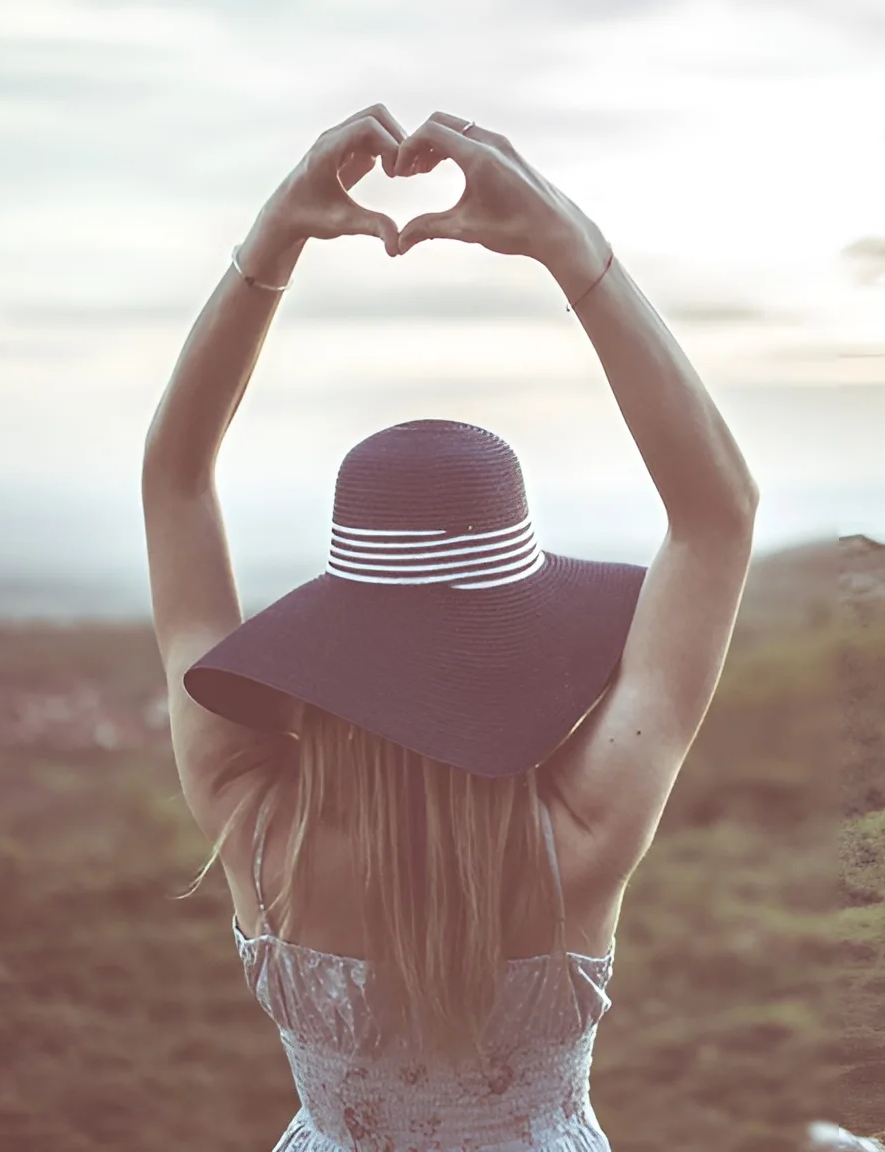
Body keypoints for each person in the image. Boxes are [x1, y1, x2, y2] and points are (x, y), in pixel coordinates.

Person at [140, 104, 759, 1151]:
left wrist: (273, 240)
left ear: (332, 649)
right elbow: (716, 514)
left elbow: (175, 480)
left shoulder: (254, 829)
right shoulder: (576, 842)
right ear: (517, 646)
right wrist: (568, 246)